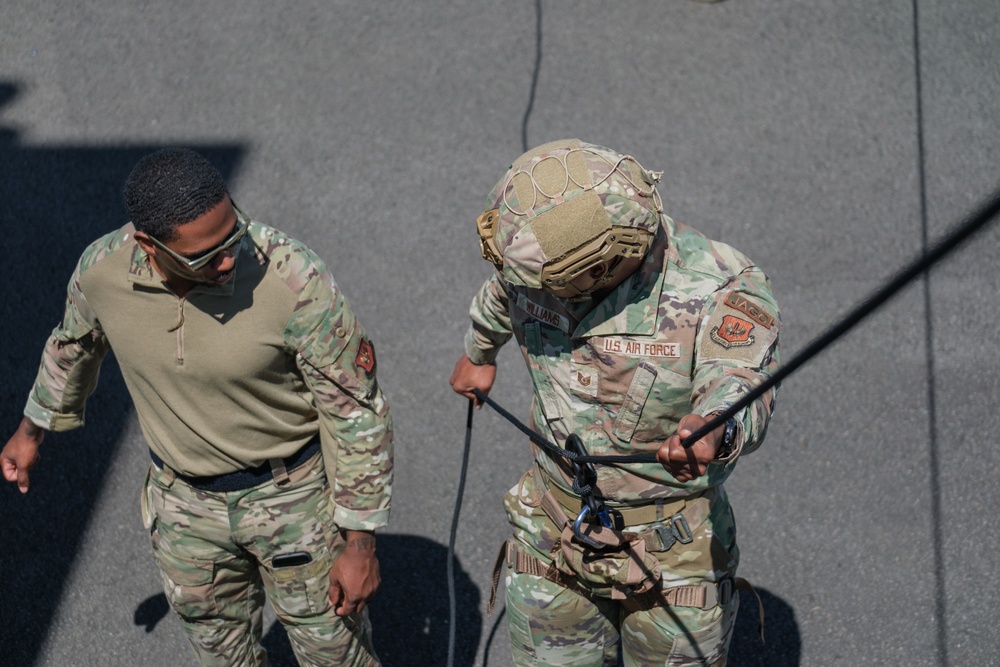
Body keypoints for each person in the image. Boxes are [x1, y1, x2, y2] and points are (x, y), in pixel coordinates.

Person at [1, 148, 393, 667]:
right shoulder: (102, 272)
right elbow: (72, 347)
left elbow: (355, 410)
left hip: (294, 499)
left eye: (233, 236)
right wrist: (32, 431)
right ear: (147, 245)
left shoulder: (292, 278)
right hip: (184, 508)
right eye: (204, 256)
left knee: (336, 656)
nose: (229, 259)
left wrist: (360, 543)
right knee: (221, 659)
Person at [450, 139, 779, 666]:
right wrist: (480, 351)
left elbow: (739, 380)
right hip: (552, 528)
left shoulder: (722, 286)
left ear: (602, 266)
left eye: (553, 286)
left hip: (672, 555)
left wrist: (715, 427)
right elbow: (503, 293)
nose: (538, 294)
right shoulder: (539, 267)